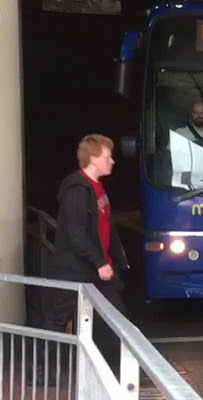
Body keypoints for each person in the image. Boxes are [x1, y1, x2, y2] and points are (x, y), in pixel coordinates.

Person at [32, 134, 130, 384]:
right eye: (108, 157)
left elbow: (106, 227)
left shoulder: (96, 188)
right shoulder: (77, 189)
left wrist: (115, 260)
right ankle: (42, 374)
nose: (112, 162)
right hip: (75, 269)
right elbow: (77, 232)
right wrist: (99, 262)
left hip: (95, 268)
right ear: (94, 158)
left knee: (114, 317)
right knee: (58, 318)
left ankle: (112, 372)